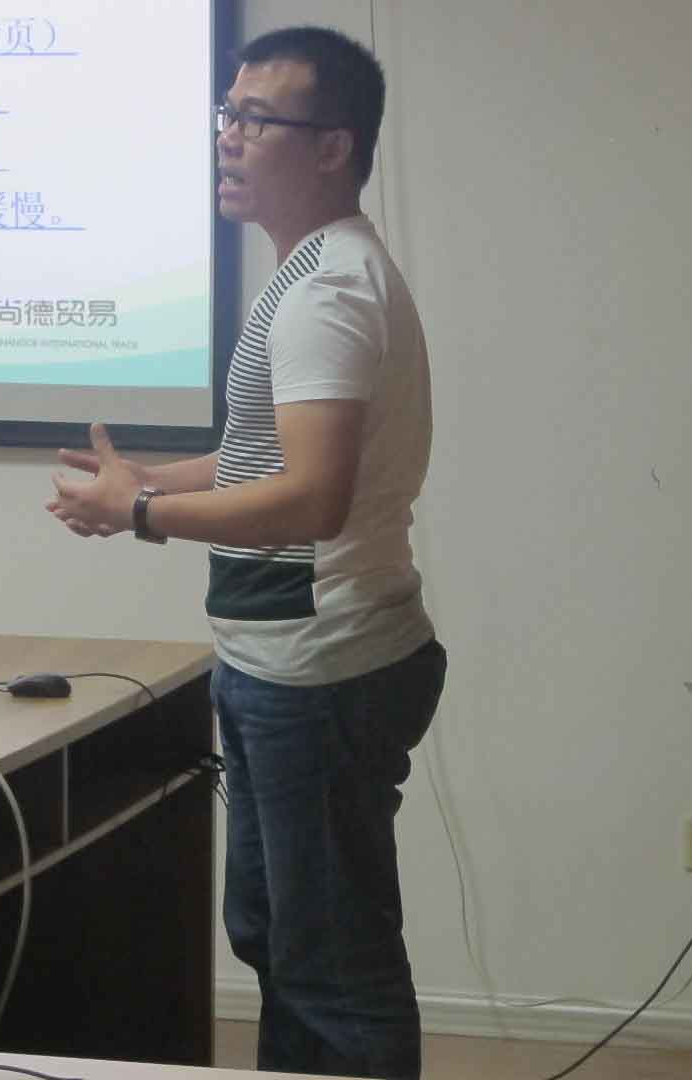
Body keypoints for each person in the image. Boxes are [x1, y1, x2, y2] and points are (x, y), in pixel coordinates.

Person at [46, 25, 443, 1080]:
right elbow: (264, 458)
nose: (227, 138)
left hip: (322, 672)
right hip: (291, 665)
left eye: (256, 119)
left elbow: (310, 500)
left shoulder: (328, 293)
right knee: (280, 940)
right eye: (228, 113)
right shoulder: (311, 273)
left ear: (333, 146)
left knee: (332, 968)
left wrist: (140, 515)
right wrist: (146, 484)